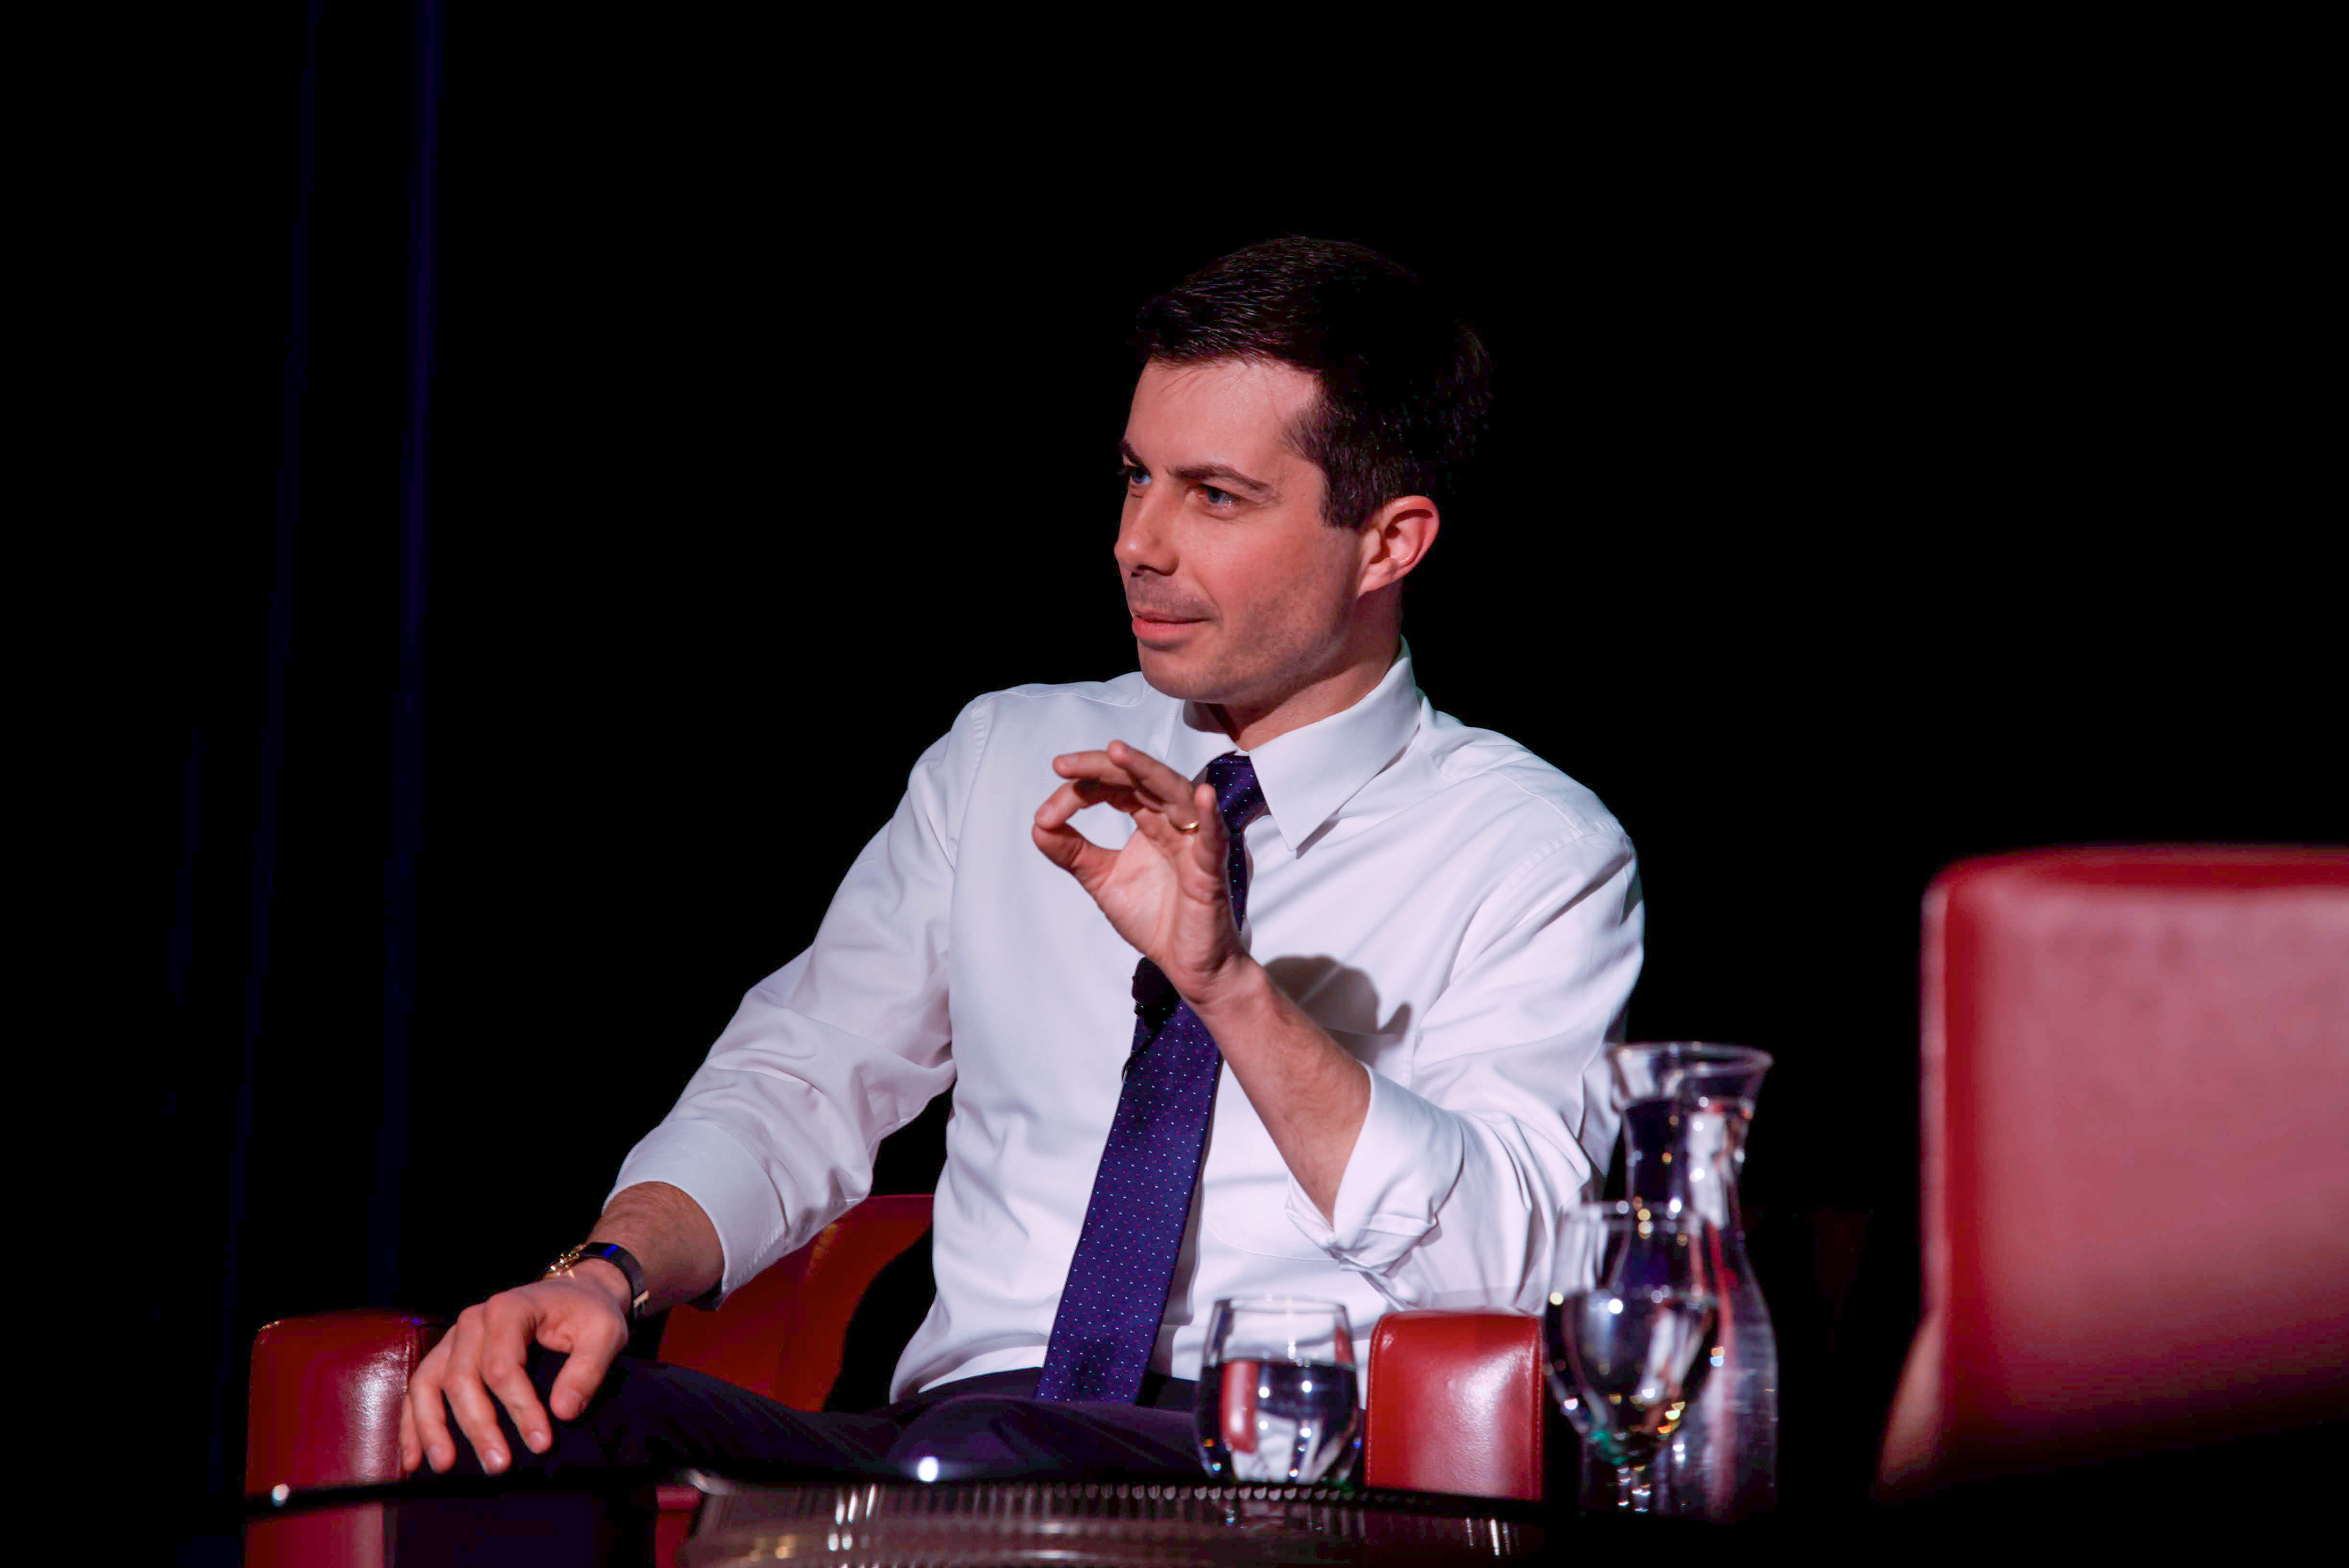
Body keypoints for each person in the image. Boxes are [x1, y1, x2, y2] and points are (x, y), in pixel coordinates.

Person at [400, 236, 1644, 1484]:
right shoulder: (1008, 755)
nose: (1137, 542)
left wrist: (1228, 989)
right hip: (954, 1435)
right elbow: (801, 1078)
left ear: (1389, 544)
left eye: (1214, 495)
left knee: (982, 1460)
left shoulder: (1531, 849)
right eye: (1134, 477)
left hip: (1275, 1451)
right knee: (513, 1426)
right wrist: (609, 1271)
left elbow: (1513, 1260)